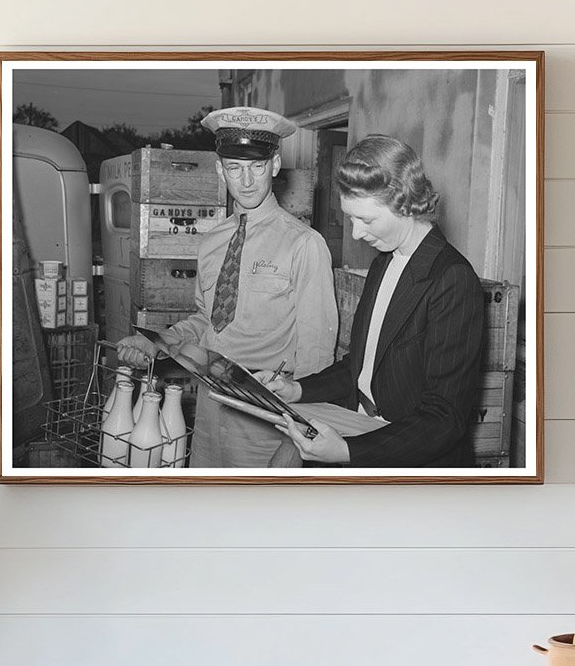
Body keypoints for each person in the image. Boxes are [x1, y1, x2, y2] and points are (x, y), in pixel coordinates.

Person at [116, 106, 337, 467]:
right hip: (209, 409)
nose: (246, 181)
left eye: (257, 167)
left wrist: (299, 441)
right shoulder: (212, 242)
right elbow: (207, 321)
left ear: (275, 165)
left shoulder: (304, 245)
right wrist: (155, 342)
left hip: (267, 422)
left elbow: (318, 356)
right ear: (221, 170)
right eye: (235, 168)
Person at [259, 135, 485, 468]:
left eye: (366, 220)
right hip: (358, 425)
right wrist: (296, 390)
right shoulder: (384, 260)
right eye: (351, 218)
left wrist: (349, 452)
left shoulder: (452, 278)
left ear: (405, 203)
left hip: (407, 456)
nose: (356, 234)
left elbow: (444, 417)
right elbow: (361, 366)